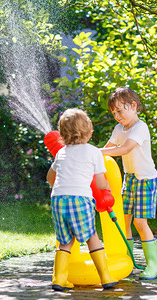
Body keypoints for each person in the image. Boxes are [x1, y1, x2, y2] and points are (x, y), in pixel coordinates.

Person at [46, 108, 118, 291]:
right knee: (92, 236)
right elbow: (101, 183)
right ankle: (106, 277)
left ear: (62, 134)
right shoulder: (93, 152)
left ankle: (59, 280)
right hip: (80, 199)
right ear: (89, 132)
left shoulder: (61, 153)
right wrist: (107, 187)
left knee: (65, 241)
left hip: (58, 200)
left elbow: (50, 177)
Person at [100, 87, 157, 280]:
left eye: (120, 110)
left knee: (139, 222)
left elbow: (125, 149)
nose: (117, 116)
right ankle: (128, 261)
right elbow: (108, 148)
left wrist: (98, 153)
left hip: (146, 179)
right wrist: (91, 152)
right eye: (114, 113)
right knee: (125, 219)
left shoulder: (140, 127)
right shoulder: (119, 129)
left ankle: (153, 265)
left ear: (133, 106)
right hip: (130, 178)